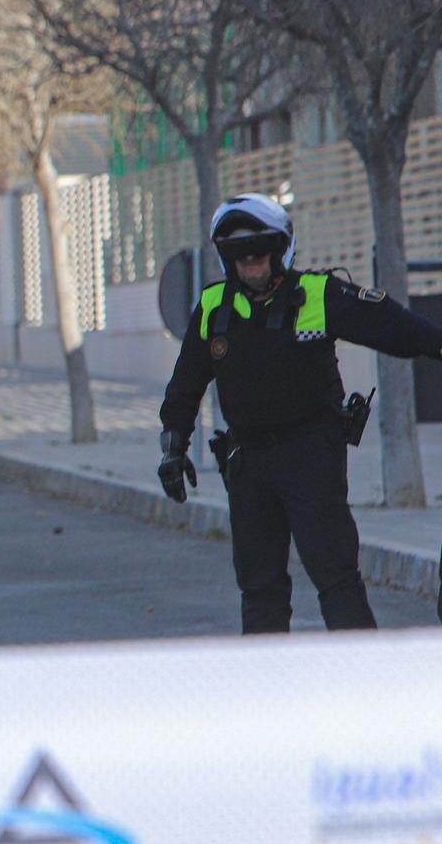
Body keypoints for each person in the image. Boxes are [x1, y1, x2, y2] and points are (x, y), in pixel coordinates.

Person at [159, 193, 442, 633]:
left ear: (280, 252)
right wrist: (173, 447)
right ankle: (269, 696)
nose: (251, 266)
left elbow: (392, 325)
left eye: (259, 256)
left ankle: (368, 692)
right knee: (259, 589)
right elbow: (185, 383)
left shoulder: (317, 293)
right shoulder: (214, 307)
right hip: (248, 462)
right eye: (241, 258)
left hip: (311, 454)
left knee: (336, 579)